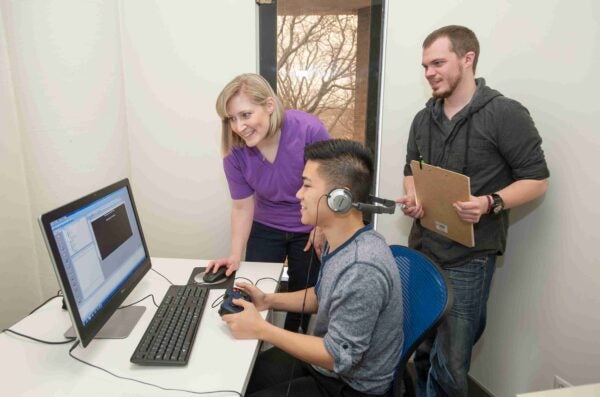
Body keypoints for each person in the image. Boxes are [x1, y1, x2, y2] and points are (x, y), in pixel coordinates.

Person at [396, 25, 549, 397]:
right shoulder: (423, 119)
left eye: (437, 63)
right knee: (423, 348)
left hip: (470, 259)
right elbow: (410, 172)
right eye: (425, 66)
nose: (429, 72)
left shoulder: (504, 114)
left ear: (468, 59)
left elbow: (537, 179)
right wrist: (413, 197)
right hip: (425, 249)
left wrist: (489, 203)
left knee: (451, 362)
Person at [222, 139, 403, 397]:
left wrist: (262, 329)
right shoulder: (338, 240)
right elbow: (322, 296)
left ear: (340, 198)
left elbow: (338, 356)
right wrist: (267, 300)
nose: (298, 194)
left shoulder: (362, 266)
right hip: (326, 366)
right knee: (237, 381)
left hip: (350, 386)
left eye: (306, 185)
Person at [209, 73, 331, 333]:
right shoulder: (235, 153)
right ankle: (257, 350)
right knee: (254, 293)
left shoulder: (308, 130)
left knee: (304, 298)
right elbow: (242, 206)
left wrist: (322, 225)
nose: (239, 127)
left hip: (308, 225)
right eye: (232, 118)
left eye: (245, 115)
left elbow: (331, 183)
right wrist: (234, 254)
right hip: (266, 226)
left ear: (269, 106)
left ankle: (294, 353)